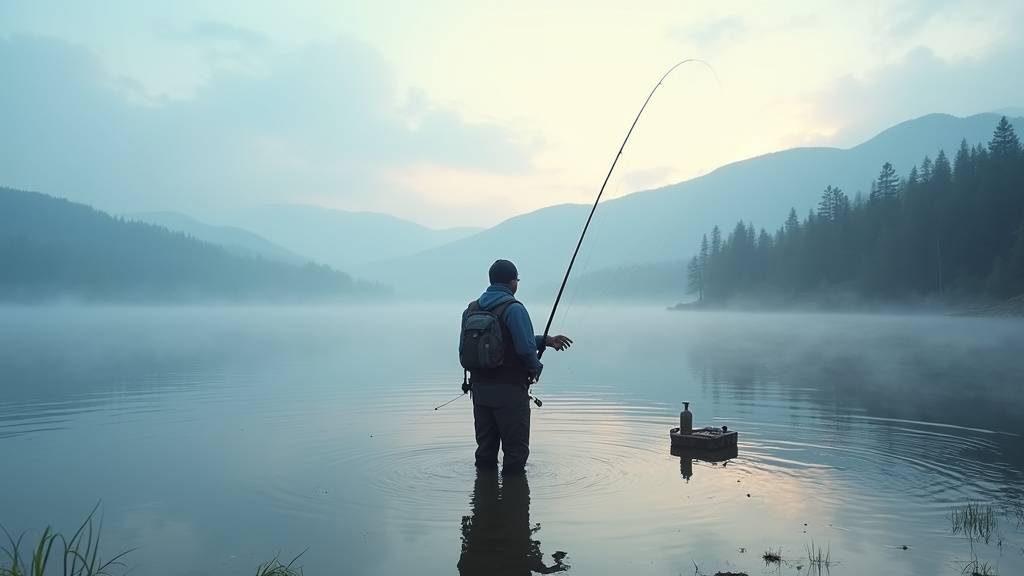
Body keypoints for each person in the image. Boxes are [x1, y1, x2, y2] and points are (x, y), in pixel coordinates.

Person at [460, 259, 572, 474]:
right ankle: (514, 503)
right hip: (510, 392)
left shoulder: (471, 310)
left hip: (480, 391)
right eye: (517, 280)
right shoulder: (514, 308)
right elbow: (524, 348)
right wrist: (536, 368)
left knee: (485, 451)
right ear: (512, 282)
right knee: (515, 453)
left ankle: (483, 501)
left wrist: (545, 340)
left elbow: (463, 351)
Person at [457, 468, 570, 575]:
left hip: (486, 549)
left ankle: (491, 472)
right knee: (511, 462)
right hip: (512, 547)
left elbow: (466, 565)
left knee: (491, 461)